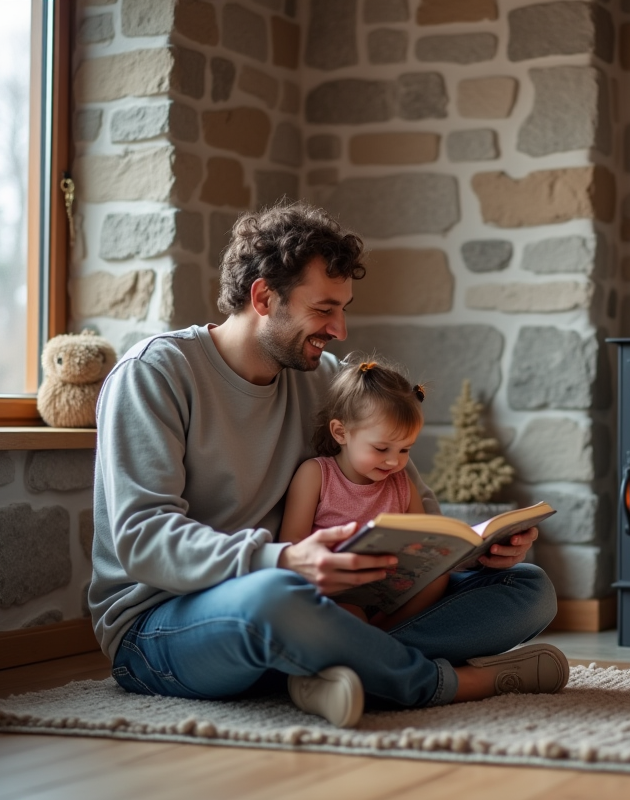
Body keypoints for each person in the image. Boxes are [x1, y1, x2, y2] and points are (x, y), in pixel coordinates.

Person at [89, 202, 567, 729]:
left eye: (343, 309)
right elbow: (143, 538)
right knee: (277, 600)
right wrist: (284, 559)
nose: (339, 329)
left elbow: (413, 507)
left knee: (528, 589)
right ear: (263, 297)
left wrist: (475, 553)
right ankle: (442, 683)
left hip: (318, 600)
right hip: (164, 621)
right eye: (323, 309)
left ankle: (325, 666)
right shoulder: (154, 374)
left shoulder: (325, 380)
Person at [278, 357, 449, 628]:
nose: (394, 461)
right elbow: (291, 542)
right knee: (349, 614)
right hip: (337, 588)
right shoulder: (316, 475)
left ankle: (384, 633)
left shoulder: (402, 483)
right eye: (381, 449)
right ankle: (382, 640)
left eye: (405, 449)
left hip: (388, 587)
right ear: (340, 432)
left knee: (439, 580)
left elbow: (423, 541)